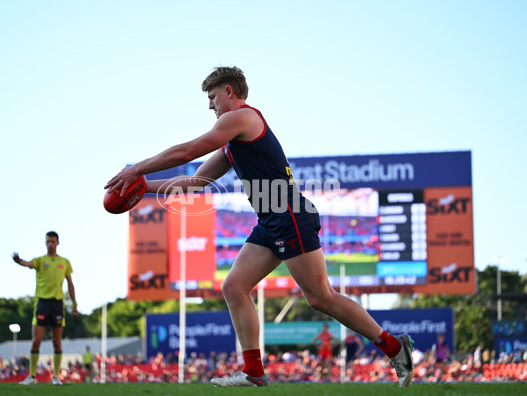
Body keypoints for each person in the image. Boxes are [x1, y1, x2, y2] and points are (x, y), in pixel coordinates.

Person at [105, 66, 414, 387]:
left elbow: (187, 151)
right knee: (234, 286)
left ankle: (394, 346)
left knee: (321, 298)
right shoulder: (231, 139)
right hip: (271, 220)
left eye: (212, 97)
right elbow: (195, 181)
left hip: (289, 214)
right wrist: (141, 188)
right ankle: (254, 372)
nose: (210, 105)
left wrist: (135, 168)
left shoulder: (241, 118)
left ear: (229, 91)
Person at [12, 231, 78, 386]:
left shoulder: (65, 262)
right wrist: (19, 260)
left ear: (58, 243)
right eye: (48, 241)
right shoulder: (40, 261)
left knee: (57, 342)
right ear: (45, 242)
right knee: (36, 341)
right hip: (42, 303)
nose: (50, 244)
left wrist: (74, 304)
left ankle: (56, 377)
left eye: (53, 241)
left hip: (57, 304)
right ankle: (32, 377)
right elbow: (28, 263)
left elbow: (70, 283)